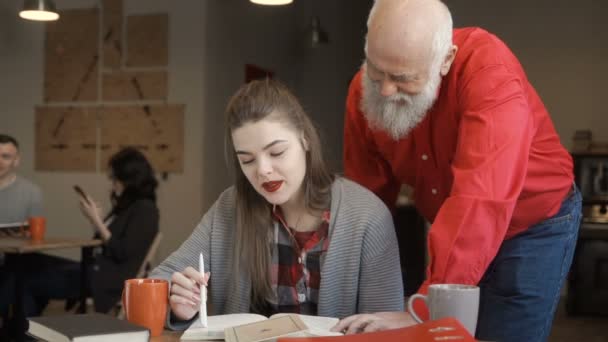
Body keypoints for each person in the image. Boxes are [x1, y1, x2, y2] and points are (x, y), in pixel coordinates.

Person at [334, 1, 581, 341]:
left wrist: (418, 308)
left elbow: (481, 199)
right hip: (460, 227)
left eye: (403, 78)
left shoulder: (489, 72)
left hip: (532, 225)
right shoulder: (363, 92)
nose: (386, 90)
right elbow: (367, 201)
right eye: (376, 71)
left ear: (445, 60)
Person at [149, 79, 404, 330]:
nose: (263, 171)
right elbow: (156, 283)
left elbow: (389, 328)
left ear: (305, 139)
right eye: (247, 160)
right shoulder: (230, 208)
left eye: (276, 152)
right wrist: (178, 305)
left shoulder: (368, 215)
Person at [0, 147, 159, 324]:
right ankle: (22, 331)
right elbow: (105, 243)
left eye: (115, 178)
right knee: (24, 261)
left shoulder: (146, 209)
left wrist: (97, 220)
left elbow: (121, 251)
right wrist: (97, 221)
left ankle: (19, 332)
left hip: (105, 280)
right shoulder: (127, 207)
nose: (113, 183)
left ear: (129, 179)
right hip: (94, 269)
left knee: (23, 278)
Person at [0, 134, 42, 230]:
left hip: (17, 245)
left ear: (16, 161)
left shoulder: (32, 192)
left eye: (5, 157)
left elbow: (35, 234)